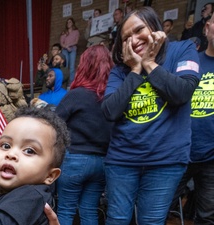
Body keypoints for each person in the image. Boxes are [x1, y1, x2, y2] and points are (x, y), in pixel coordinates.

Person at [101, 6, 201, 225]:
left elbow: (182, 93)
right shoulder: (120, 70)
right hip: (122, 160)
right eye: (127, 37)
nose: (134, 40)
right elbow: (110, 111)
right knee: (117, 219)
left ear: (154, 27)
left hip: (165, 160)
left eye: (138, 30)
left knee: (151, 221)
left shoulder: (182, 49)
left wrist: (148, 63)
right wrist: (136, 71)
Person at [55, 45, 114, 225]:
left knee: (65, 210)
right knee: (89, 211)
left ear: (84, 66)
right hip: (102, 162)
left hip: (75, 160)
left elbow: (53, 123)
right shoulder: (113, 97)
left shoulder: (77, 95)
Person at [169, 12, 214, 224]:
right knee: (158, 208)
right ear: (206, 28)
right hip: (180, 151)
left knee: (207, 216)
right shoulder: (191, 61)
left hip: (212, 158)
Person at [60, 17, 80, 85]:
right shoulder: (64, 32)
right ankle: (64, 83)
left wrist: (68, 45)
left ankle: (71, 84)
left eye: (70, 22)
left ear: (73, 23)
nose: (68, 23)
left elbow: (76, 41)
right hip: (65, 50)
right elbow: (61, 43)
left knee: (71, 67)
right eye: (67, 22)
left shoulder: (76, 31)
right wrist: (66, 46)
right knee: (65, 66)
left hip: (72, 49)